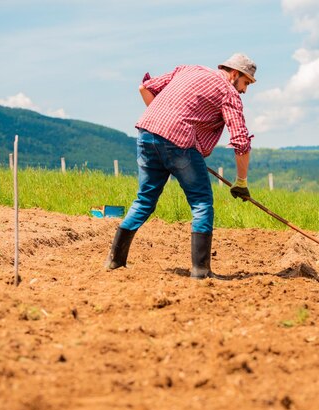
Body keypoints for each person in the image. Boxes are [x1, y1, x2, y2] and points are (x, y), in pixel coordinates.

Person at [105, 53, 257, 278]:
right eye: (245, 83)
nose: (244, 90)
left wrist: (164, 127)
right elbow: (241, 143)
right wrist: (241, 183)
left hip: (147, 134)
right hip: (179, 144)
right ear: (234, 74)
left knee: (144, 200)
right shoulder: (229, 93)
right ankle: (201, 270)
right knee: (202, 203)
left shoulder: (188, 70)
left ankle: (115, 260)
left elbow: (144, 88)